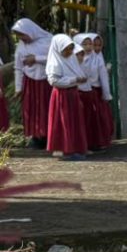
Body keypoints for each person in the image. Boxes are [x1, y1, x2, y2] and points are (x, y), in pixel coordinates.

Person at [45, 34, 89, 160]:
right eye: (66, 49)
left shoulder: (71, 59)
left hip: (72, 94)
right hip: (62, 96)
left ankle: (75, 148)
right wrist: (74, 79)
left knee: (74, 122)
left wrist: (80, 79)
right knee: (65, 122)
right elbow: (54, 81)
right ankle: (67, 150)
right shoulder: (54, 62)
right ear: (59, 48)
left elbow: (77, 71)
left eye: (71, 49)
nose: (69, 52)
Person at [11, 18, 53, 148]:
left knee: (46, 108)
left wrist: (36, 59)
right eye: (19, 36)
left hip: (47, 81)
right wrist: (18, 88)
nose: (22, 38)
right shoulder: (21, 46)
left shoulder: (49, 40)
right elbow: (18, 67)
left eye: (23, 34)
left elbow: (56, 58)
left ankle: (49, 137)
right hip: (30, 82)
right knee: (32, 109)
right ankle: (36, 136)